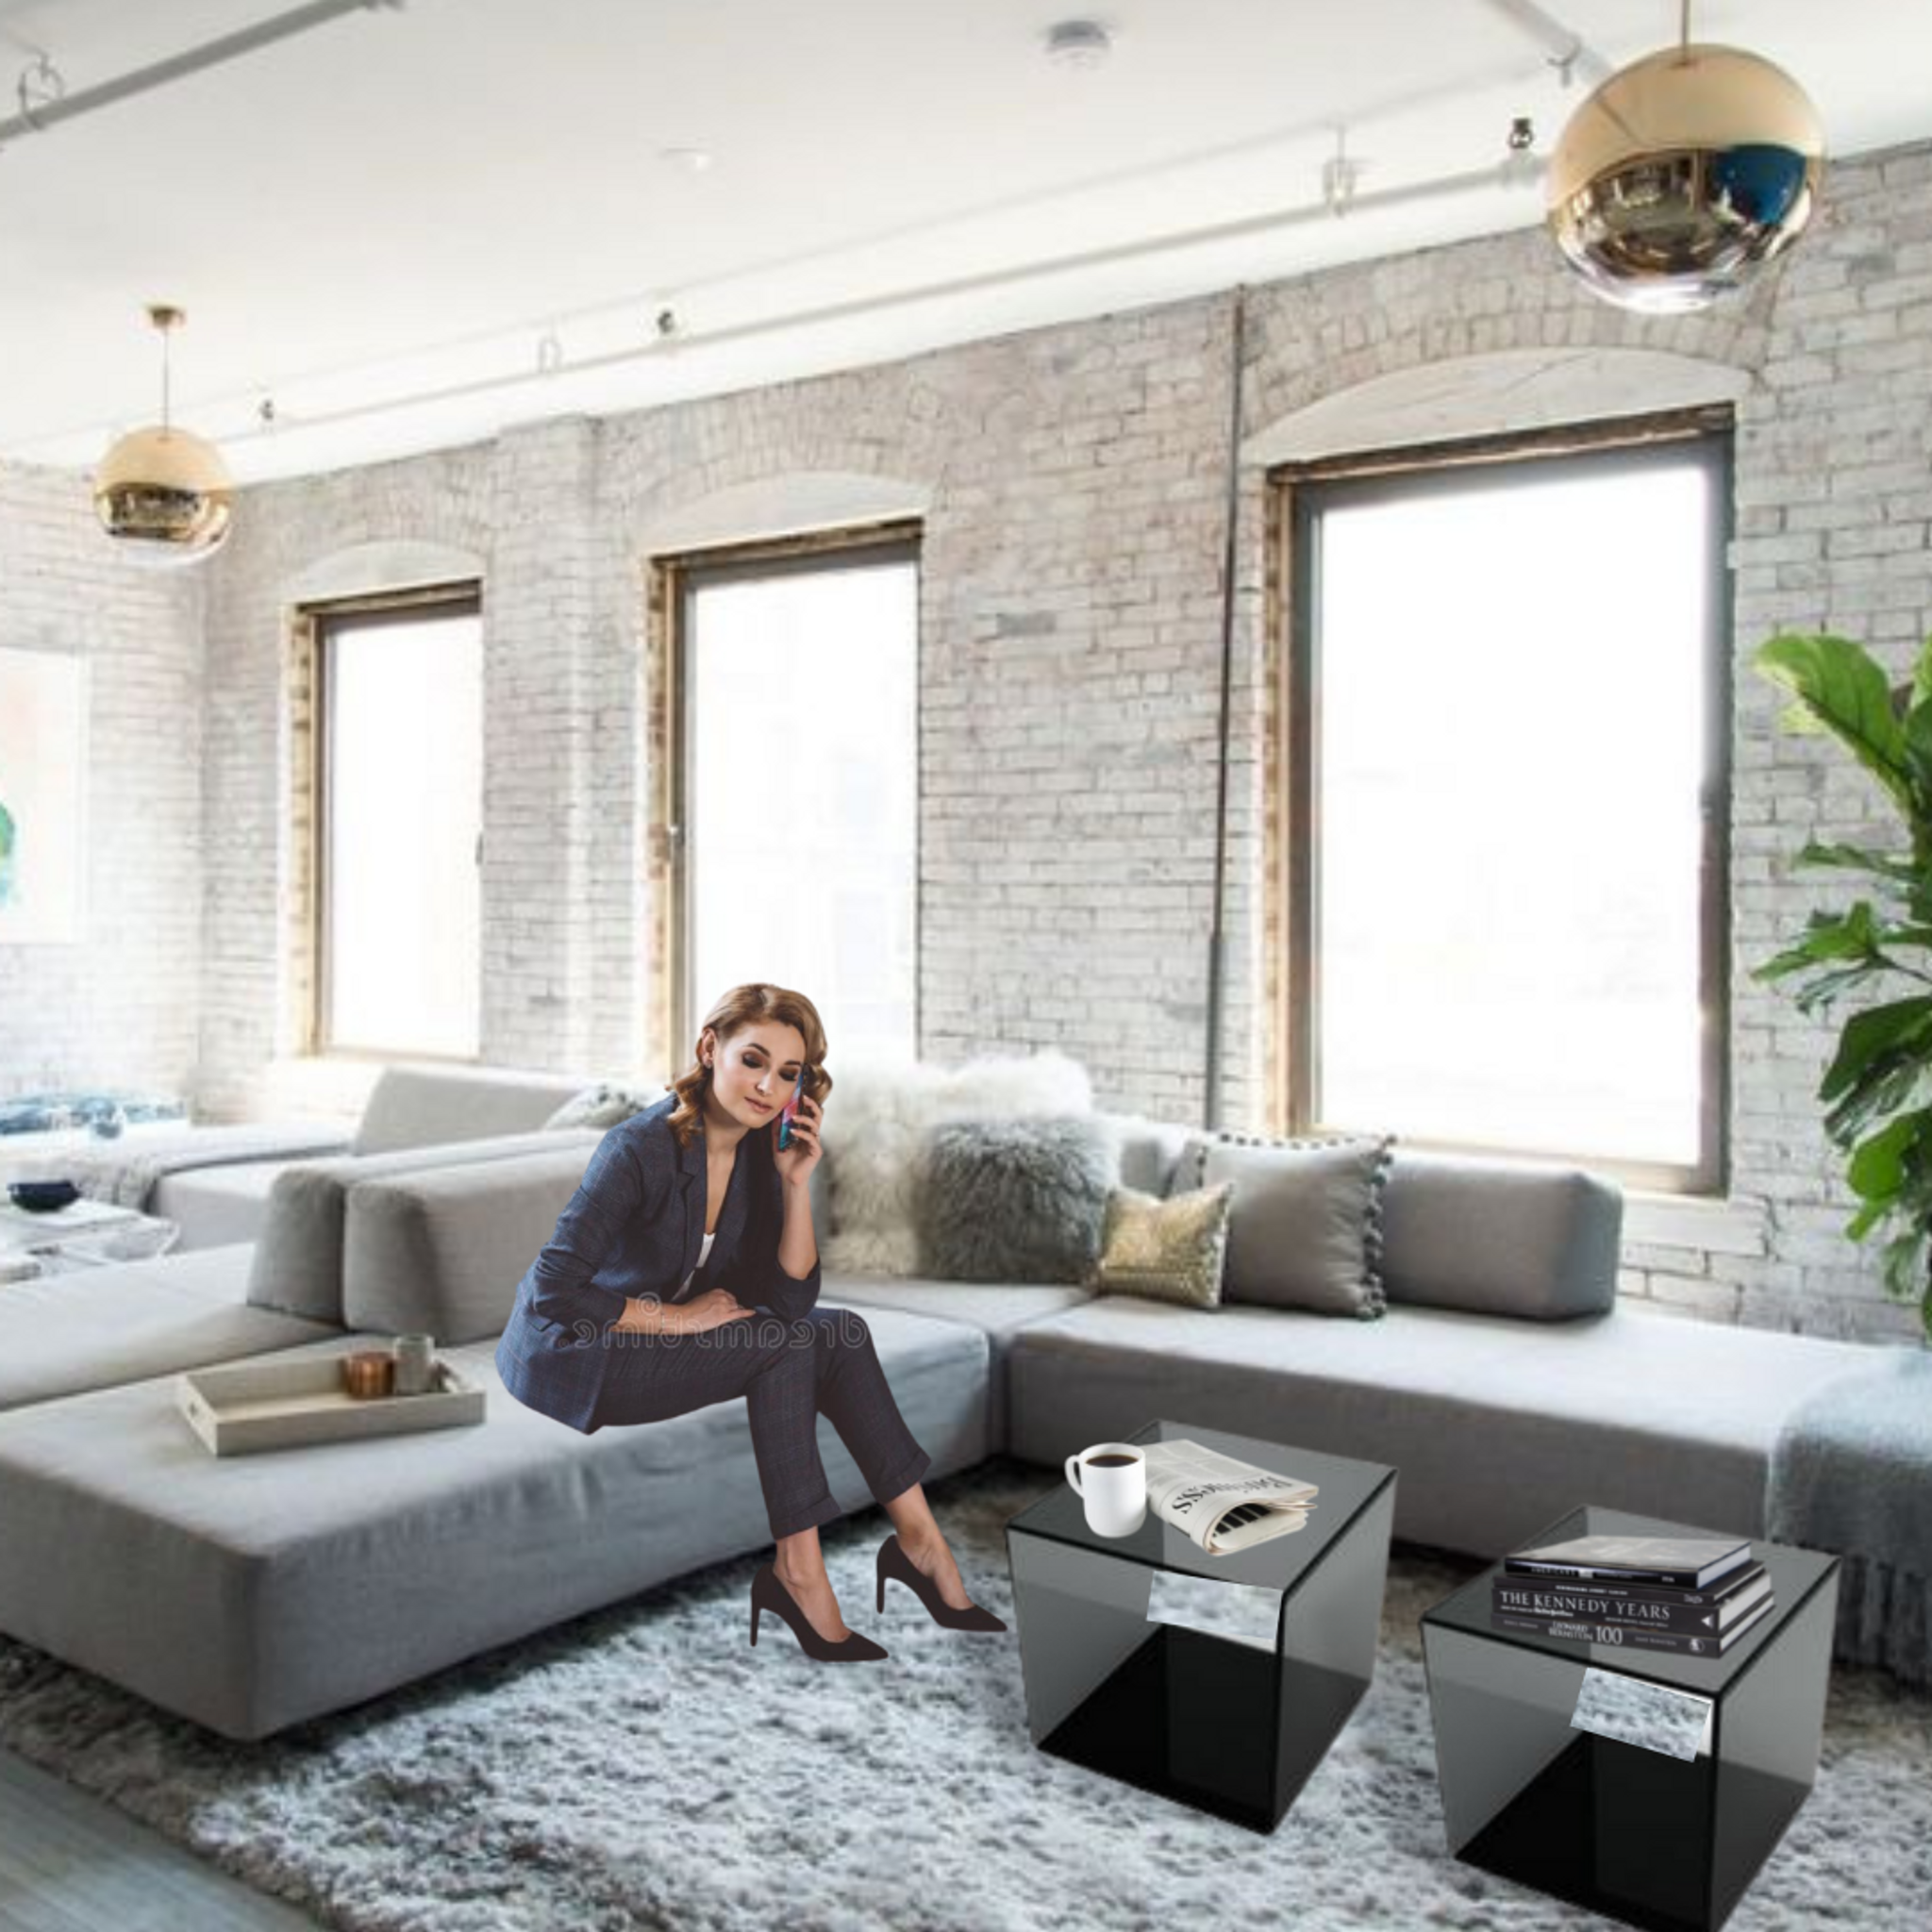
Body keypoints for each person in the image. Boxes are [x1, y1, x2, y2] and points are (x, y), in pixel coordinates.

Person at [495, 981, 1006, 1662]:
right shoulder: (638, 1148)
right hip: (580, 1351)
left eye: (787, 1073)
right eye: (753, 1060)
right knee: (783, 1350)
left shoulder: (767, 1149)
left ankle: (919, 1542)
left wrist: (797, 1184)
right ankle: (799, 1571)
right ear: (710, 1049)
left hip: (663, 1334)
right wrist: (675, 1319)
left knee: (840, 1332)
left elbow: (790, 1302)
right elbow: (554, 1290)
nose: (767, 1086)